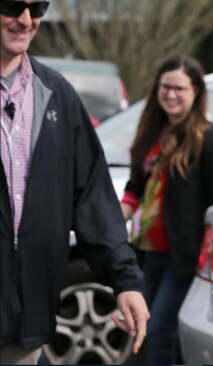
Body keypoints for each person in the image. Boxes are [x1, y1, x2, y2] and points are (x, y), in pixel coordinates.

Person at [0, 0, 149, 364]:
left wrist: (125, 281)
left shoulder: (58, 94)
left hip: (26, 322)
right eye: (12, 6)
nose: (26, 19)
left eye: (37, 8)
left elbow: (92, 199)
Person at [120, 55, 213, 364]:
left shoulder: (209, 139)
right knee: (142, 327)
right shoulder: (153, 131)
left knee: (161, 329)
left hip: (183, 256)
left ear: (195, 91)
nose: (170, 94)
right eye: (165, 87)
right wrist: (116, 221)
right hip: (147, 249)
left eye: (179, 89)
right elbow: (136, 187)